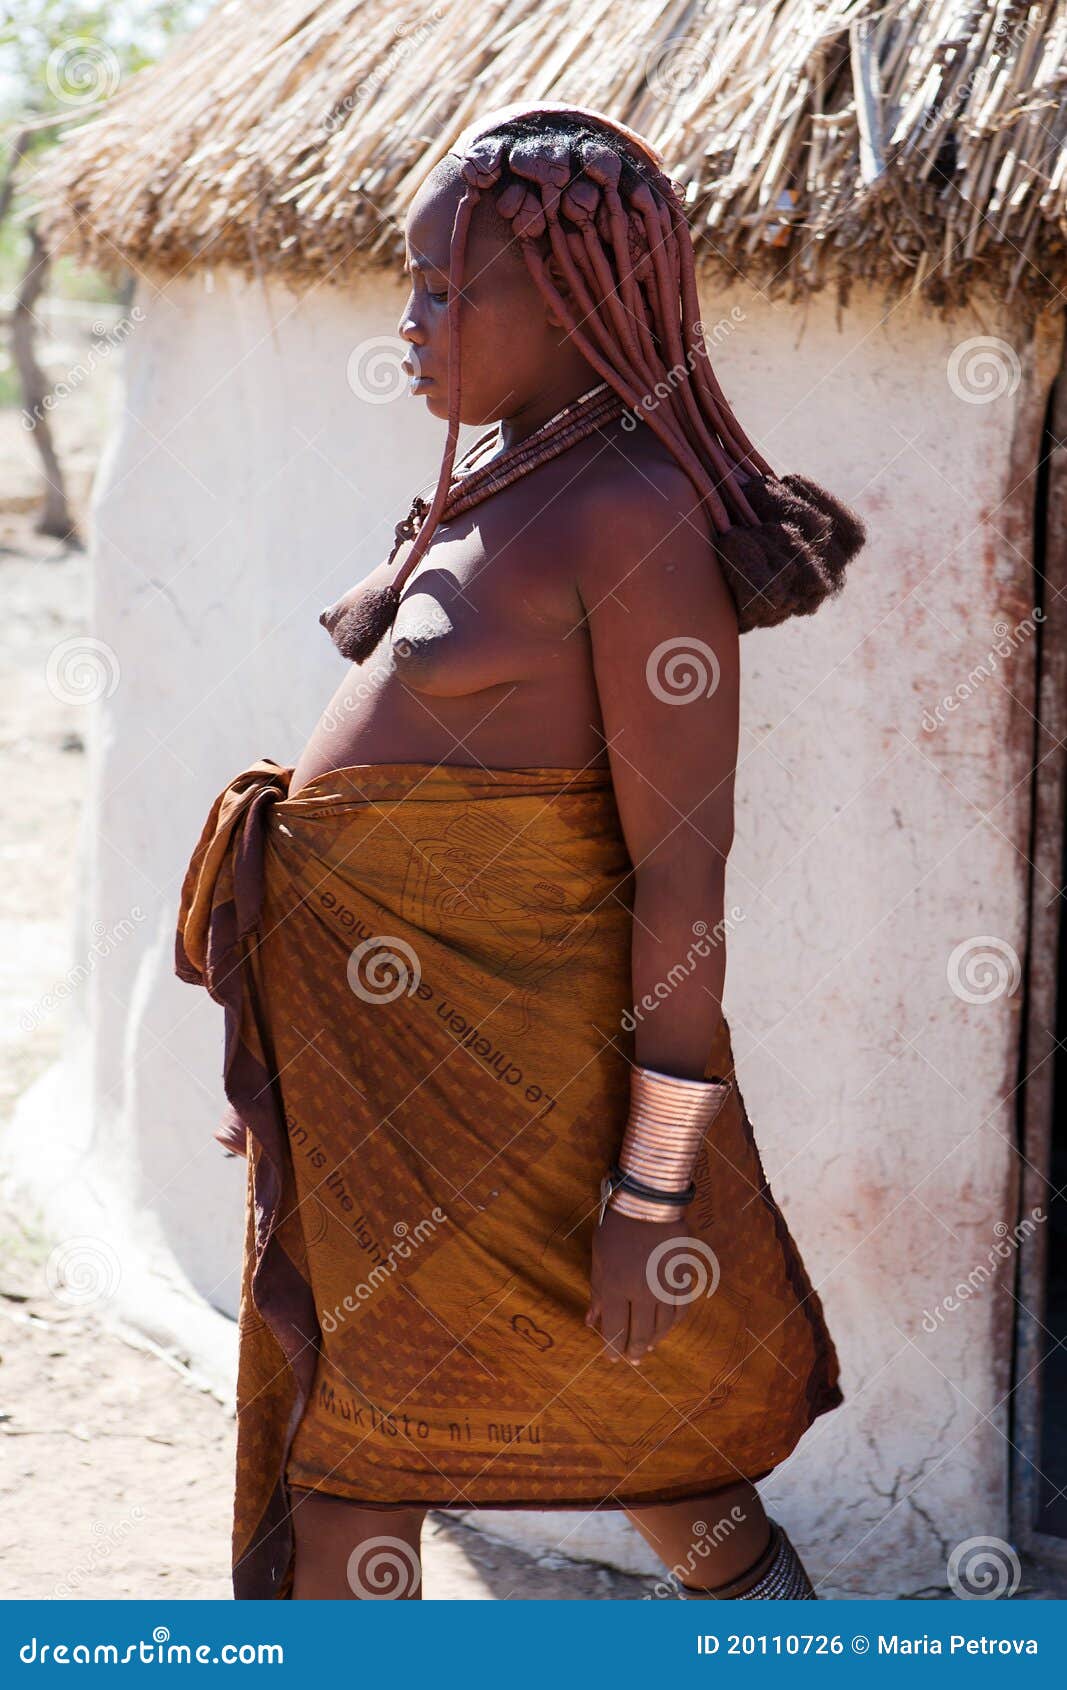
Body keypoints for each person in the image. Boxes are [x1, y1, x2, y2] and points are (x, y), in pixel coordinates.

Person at [174, 100, 865, 1603]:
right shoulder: (494, 482)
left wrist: (653, 1191)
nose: (407, 321)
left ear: (561, 301)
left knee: (670, 1464)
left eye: (441, 287)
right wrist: (291, 1062)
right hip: (384, 1107)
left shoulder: (627, 514)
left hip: (537, 1108)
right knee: (354, 1454)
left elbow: (683, 878)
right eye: (408, 285)